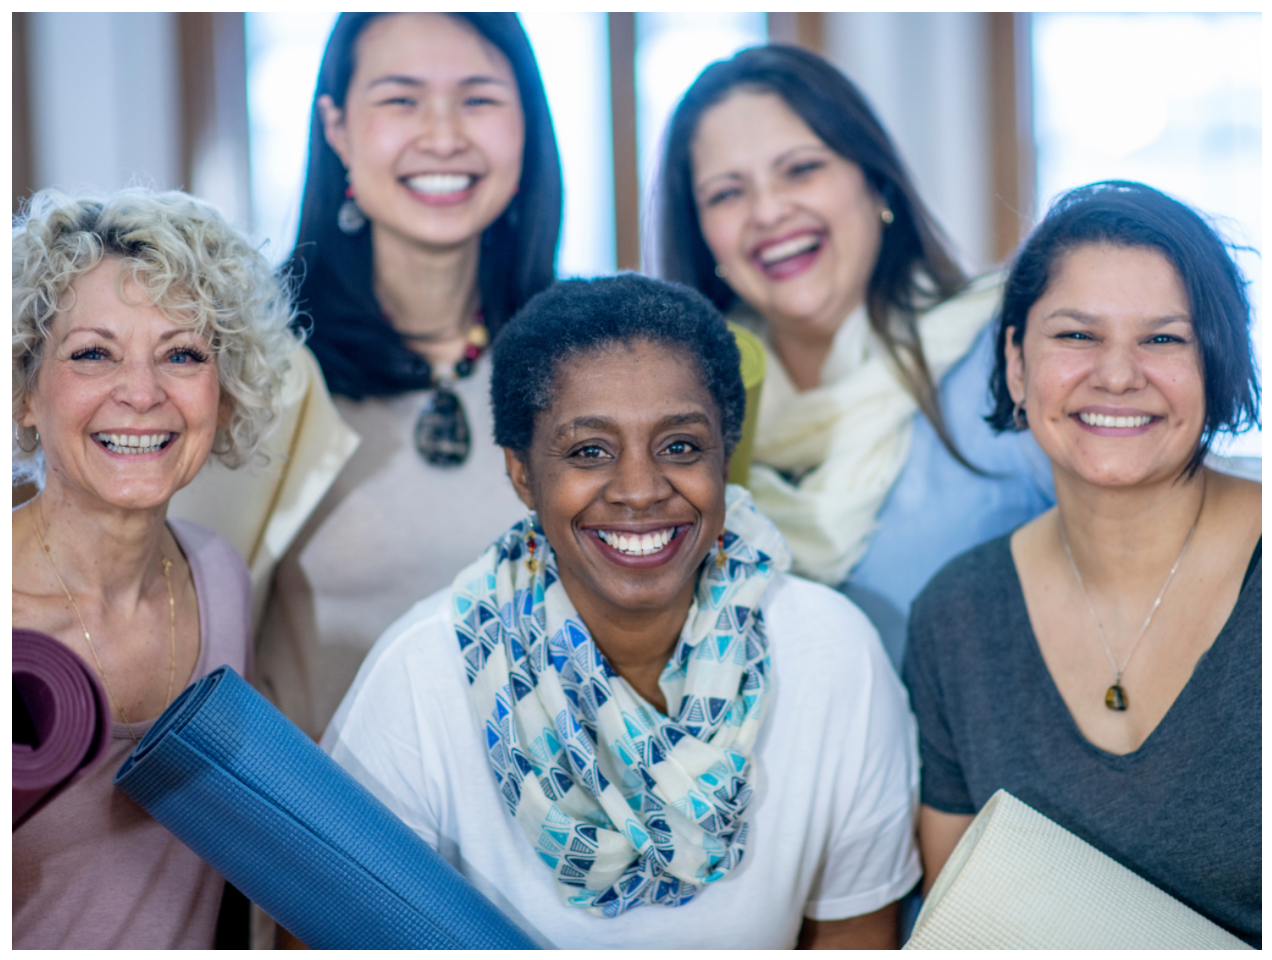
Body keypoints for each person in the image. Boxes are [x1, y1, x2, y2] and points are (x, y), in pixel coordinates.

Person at [321, 275, 921, 948]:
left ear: (726, 457)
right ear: (522, 474)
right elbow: (319, 934)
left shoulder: (832, 654)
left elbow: (855, 939)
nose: (639, 489)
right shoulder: (423, 676)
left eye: (681, 446)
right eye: (590, 452)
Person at [903, 182, 1261, 947]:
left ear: (1218, 361)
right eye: (1076, 336)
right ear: (1016, 364)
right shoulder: (957, 615)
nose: (1119, 375)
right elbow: (964, 931)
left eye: (1164, 339)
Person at [656, 45, 1055, 665]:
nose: (769, 211)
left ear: (876, 183)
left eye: (801, 169)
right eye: (727, 194)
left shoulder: (1010, 359)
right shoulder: (678, 415)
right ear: (702, 234)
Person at [257, 12, 564, 739]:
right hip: (323, 834)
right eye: (400, 99)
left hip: (560, 840)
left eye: (479, 98)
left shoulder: (588, 354)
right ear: (336, 128)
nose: (443, 135)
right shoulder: (257, 363)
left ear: (527, 123)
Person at [11, 187, 302, 948]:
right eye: (92, 354)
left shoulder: (218, 579)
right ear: (24, 393)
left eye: (182, 354)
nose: (141, 394)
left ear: (225, 392)